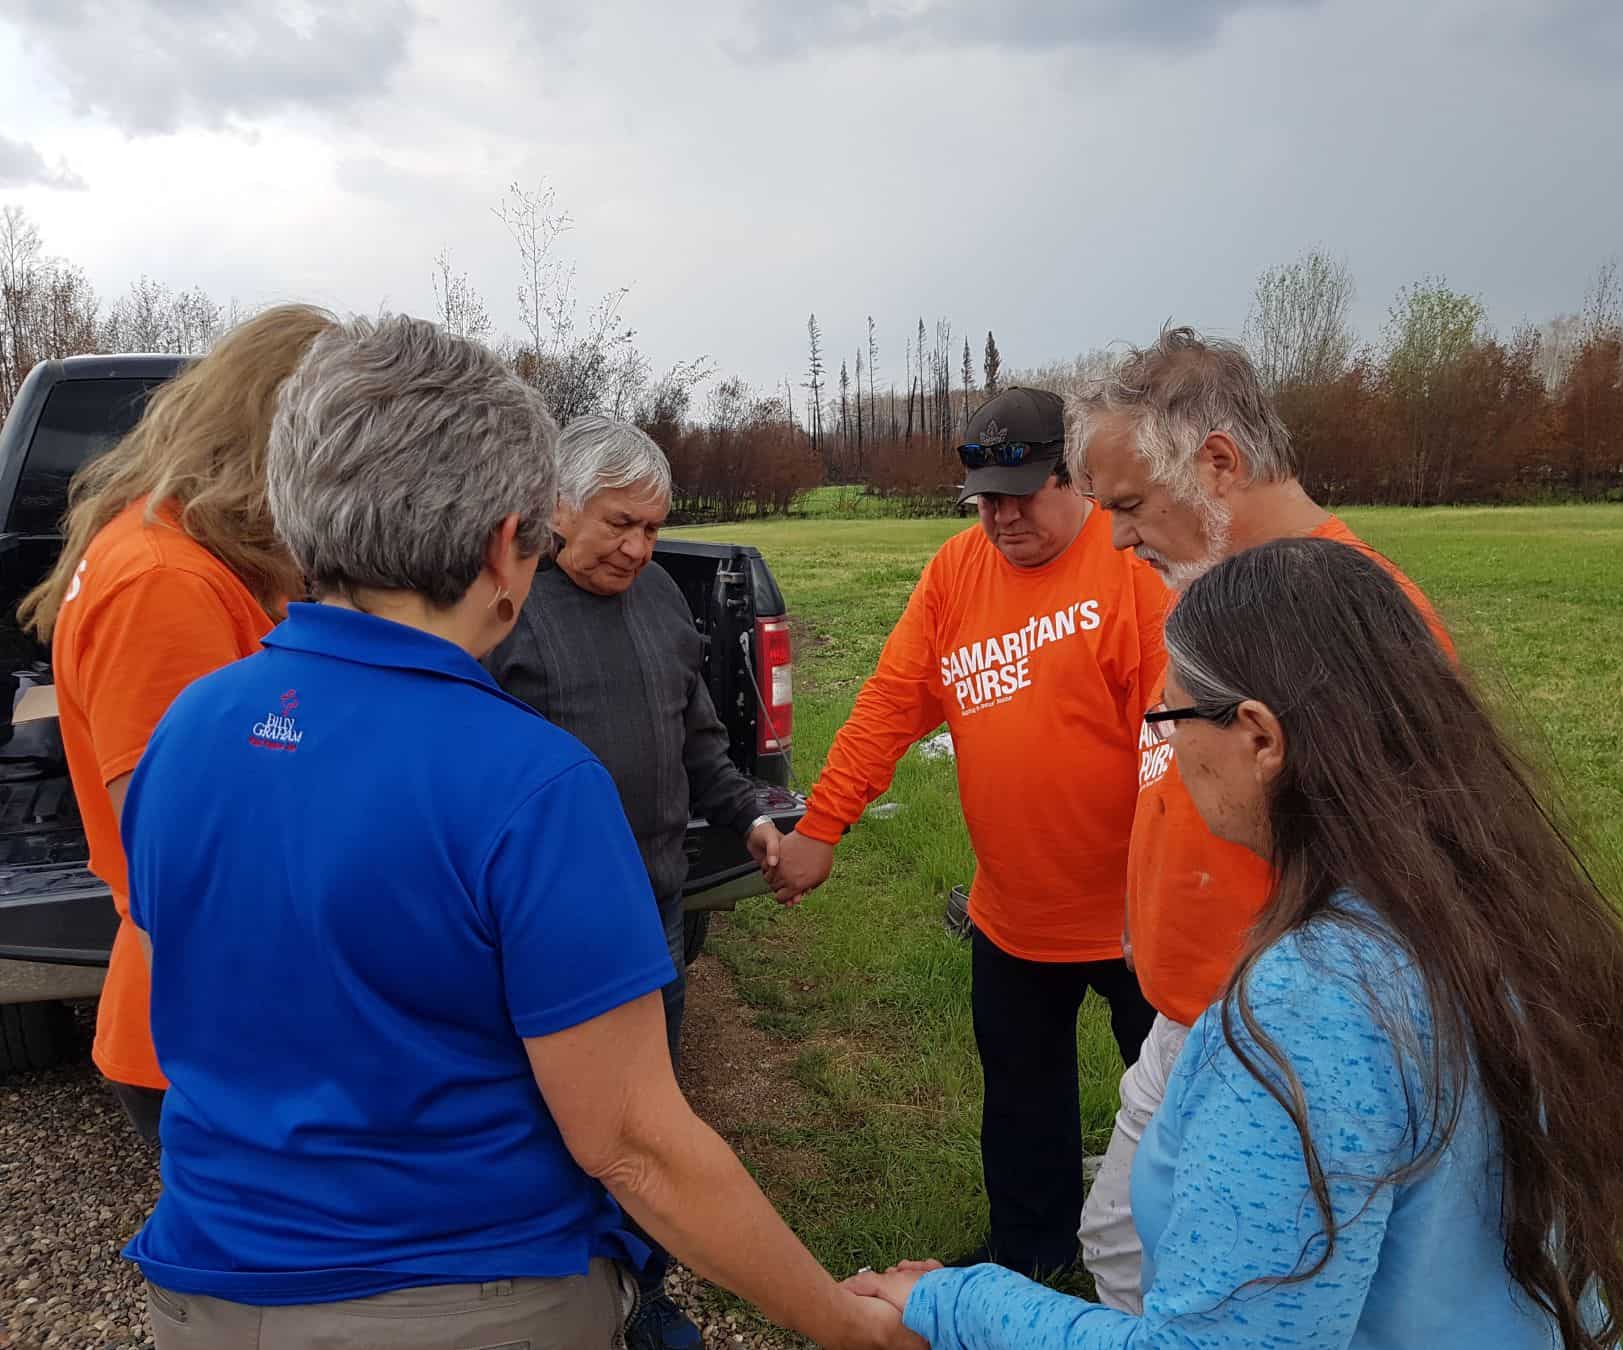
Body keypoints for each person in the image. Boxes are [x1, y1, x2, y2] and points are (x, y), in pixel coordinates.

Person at [118, 315, 914, 1350]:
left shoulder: (190, 725)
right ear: (508, 543)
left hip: (205, 1289)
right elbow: (635, 1146)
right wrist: (846, 1324)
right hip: (459, 1298)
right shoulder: (529, 783)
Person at [851, 537, 1623, 1350]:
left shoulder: (1314, 1007)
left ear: (1260, 737)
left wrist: (951, 1302)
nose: (1165, 751)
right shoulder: (1492, 905)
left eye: (1167, 718)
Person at [1065, 328, 1455, 1311]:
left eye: (1128, 506)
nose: (1114, 539)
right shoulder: (1211, 595)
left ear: (1219, 465)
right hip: (1189, 1019)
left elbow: (1410, 889)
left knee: (1221, 1299)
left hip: (1280, 1049)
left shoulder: (1360, 620)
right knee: (1121, 1245)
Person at [771, 386, 1166, 1279]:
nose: (1002, 516)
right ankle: (1030, 1257)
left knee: (1175, 1101)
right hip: (1015, 914)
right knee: (1022, 1106)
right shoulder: (956, 573)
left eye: (1022, 493)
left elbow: (1176, 744)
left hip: (1141, 918)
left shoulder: (1131, 570)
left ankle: (1179, 1263)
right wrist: (822, 825)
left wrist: (1168, 894)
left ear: (1077, 479)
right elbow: (889, 704)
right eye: (985, 499)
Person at [486, 412, 784, 1350]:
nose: (638, 547)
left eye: (652, 528)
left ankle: (640, 1287)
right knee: (551, 1114)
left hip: (650, 905)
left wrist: (747, 810)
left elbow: (696, 733)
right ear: (556, 506)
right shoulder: (503, 606)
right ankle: (540, 1288)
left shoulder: (659, 598)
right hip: (546, 921)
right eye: (619, 523)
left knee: (649, 1109)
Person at [16, 303, 335, 1146]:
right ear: (284, 436)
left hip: (217, 1024)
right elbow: (191, 863)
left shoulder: (191, 559)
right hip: (216, 1037)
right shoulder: (165, 583)